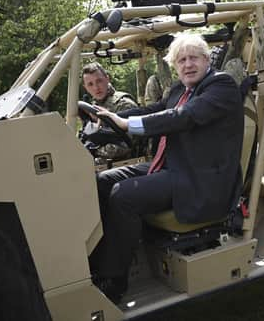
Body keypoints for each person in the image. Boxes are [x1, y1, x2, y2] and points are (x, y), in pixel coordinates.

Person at [91, 34, 244, 303]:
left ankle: (115, 279)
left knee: (123, 196)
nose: (187, 65)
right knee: (102, 180)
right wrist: (107, 120)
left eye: (193, 58)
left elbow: (184, 116)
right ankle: (99, 261)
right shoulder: (178, 89)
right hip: (174, 166)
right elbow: (153, 109)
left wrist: (128, 126)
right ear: (175, 65)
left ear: (207, 60)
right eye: (181, 60)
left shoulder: (221, 85)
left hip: (201, 179)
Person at [81, 62, 138, 161]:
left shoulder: (124, 104)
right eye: (90, 84)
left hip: (126, 162)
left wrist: (94, 152)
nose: (96, 88)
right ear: (85, 87)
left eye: (99, 81)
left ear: (107, 79)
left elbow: (128, 144)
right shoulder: (93, 107)